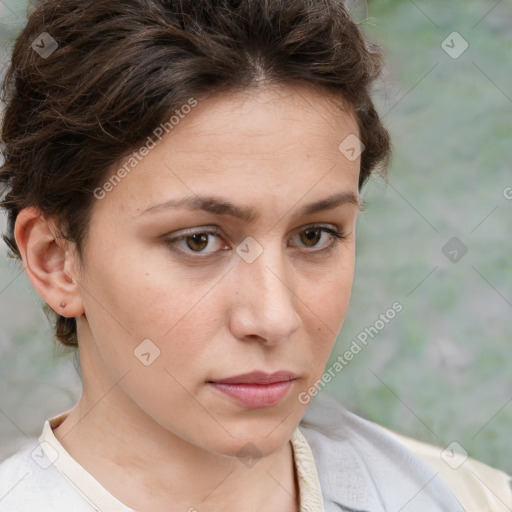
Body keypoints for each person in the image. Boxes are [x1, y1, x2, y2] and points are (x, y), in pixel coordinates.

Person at [0, 0, 510, 511]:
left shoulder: (470, 499)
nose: (274, 318)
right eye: (197, 240)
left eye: (315, 235)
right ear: (56, 261)